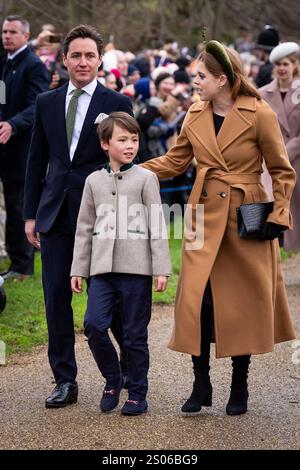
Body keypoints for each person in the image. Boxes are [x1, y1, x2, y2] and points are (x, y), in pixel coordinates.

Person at [141, 40, 296, 415]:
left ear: (222, 79)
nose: (194, 83)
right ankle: (201, 383)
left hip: (245, 217)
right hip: (203, 213)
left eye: (200, 76)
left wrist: (279, 214)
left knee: (240, 303)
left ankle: (239, 386)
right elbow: (176, 162)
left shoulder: (259, 113)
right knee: (199, 300)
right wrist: (131, 169)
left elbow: (281, 170)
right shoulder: (194, 113)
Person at [24, 25, 133, 408]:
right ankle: (64, 380)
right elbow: (36, 159)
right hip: (54, 214)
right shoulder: (46, 102)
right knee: (55, 298)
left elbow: (126, 158)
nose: (83, 62)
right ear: (65, 59)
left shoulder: (117, 100)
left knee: (110, 298)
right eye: (76, 55)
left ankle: (127, 372)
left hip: (103, 215)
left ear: (100, 59)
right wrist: (30, 214)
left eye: (90, 55)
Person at [71, 112, 171, 415]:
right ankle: (113, 378)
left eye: (134, 139)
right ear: (105, 143)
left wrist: (161, 268)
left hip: (137, 270)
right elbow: (84, 227)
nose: (130, 145)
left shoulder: (146, 178)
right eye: (123, 139)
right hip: (101, 270)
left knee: (134, 335)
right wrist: (78, 268)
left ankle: (138, 393)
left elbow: (157, 223)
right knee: (94, 325)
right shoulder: (92, 181)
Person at [0, 15, 49, 280]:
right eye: (5, 31)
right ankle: (13, 258)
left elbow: (36, 106)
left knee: (19, 206)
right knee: (8, 205)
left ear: (26, 36)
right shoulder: (5, 63)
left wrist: (13, 124)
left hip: (21, 148)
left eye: (13, 32)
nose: (7, 36)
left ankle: (23, 265)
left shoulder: (33, 65)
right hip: (3, 145)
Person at [260, 42, 300, 252]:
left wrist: (285, 151)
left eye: (286, 64)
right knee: (272, 208)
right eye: (278, 65)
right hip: (270, 163)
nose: (282, 69)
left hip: (297, 160)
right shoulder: (262, 94)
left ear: (294, 65)